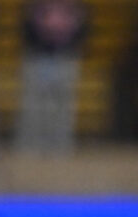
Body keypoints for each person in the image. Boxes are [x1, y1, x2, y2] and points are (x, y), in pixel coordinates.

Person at [15, 0, 87, 154]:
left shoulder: (74, 6)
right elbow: (26, 25)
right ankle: (31, 143)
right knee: (35, 105)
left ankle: (61, 144)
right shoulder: (36, 6)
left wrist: (69, 42)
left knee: (63, 105)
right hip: (38, 56)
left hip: (65, 56)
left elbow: (83, 27)